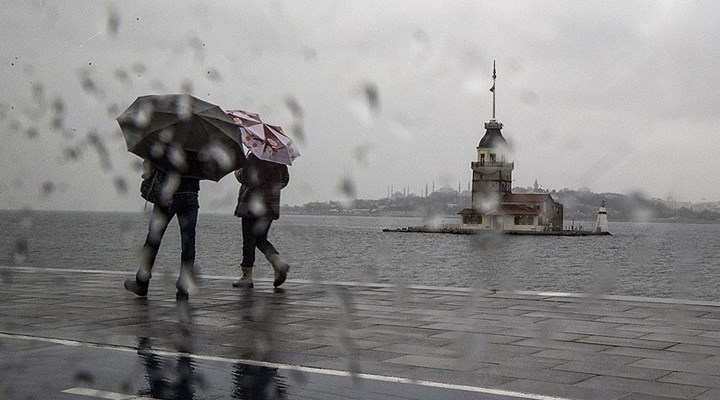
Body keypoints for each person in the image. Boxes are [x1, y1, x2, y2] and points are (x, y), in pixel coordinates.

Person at [125, 161, 200, 299]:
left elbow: (152, 163)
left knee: (153, 239)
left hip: (168, 194)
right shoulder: (201, 144)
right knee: (189, 242)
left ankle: (142, 282)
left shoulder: (169, 141)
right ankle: (183, 288)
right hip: (190, 195)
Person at [232, 153, 290, 288]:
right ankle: (278, 263)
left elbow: (246, 177)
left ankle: (247, 276)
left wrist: (237, 172)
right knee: (260, 239)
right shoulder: (278, 159)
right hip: (270, 206)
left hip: (251, 205)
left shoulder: (253, 156)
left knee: (249, 240)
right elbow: (285, 180)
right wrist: (270, 187)